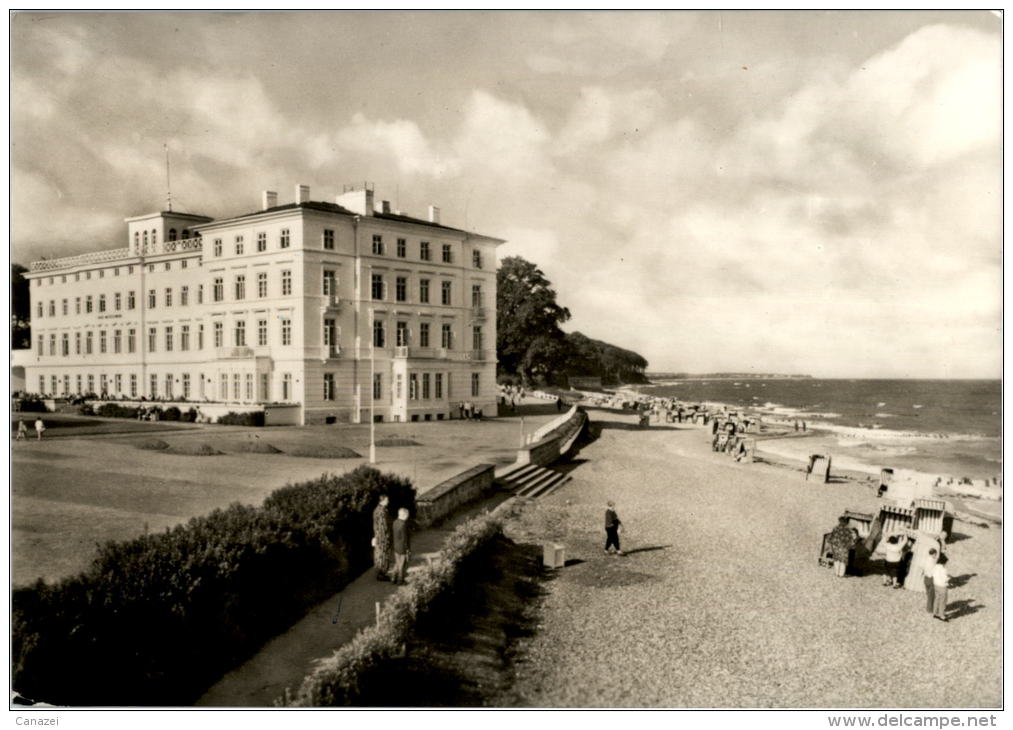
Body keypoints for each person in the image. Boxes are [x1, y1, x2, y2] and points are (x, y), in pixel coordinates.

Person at [371, 495, 393, 581]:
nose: (388, 501)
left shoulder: (377, 510)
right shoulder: (381, 511)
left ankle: (380, 572)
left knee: (379, 554)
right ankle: (381, 574)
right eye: (387, 500)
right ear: (382, 500)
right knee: (383, 554)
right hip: (382, 537)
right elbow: (383, 526)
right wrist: (387, 537)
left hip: (379, 536)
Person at [391, 507, 411, 584]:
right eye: (407, 515)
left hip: (396, 546)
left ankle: (393, 577)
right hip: (402, 547)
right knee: (402, 564)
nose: (408, 517)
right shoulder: (403, 525)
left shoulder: (395, 522)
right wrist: (407, 549)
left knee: (397, 562)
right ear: (404, 515)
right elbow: (405, 538)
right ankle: (400, 580)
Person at [932, 554, 950, 622]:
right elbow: (945, 578)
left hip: (936, 585)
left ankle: (935, 613)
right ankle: (941, 615)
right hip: (942, 586)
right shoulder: (943, 569)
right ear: (943, 562)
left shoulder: (935, 566)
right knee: (943, 601)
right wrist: (949, 579)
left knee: (937, 599)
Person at [923, 548, 939, 612]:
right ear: (933, 554)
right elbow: (934, 571)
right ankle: (930, 609)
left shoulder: (926, 559)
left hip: (926, 578)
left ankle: (929, 608)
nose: (936, 556)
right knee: (931, 595)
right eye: (935, 554)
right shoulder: (932, 561)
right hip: (931, 578)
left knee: (928, 593)